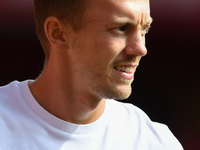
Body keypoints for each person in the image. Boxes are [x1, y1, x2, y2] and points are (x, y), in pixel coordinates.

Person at [0, 0, 183, 149]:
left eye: (145, 29)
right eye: (121, 28)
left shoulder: (155, 142)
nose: (141, 48)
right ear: (59, 33)